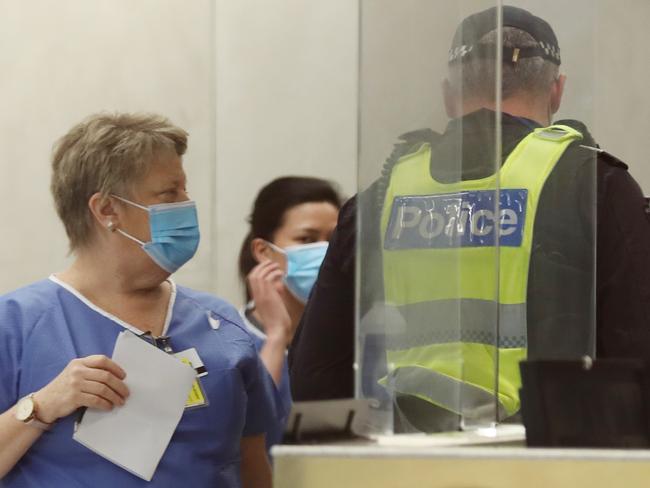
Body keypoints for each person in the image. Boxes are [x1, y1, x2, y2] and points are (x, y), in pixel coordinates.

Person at [289, 5, 650, 431]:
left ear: (448, 94)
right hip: (547, 457)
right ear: (557, 91)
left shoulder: (384, 193)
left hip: (412, 457)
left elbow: (314, 374)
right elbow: (636, 354)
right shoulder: (594, 182)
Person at [0, 113, 274, 487]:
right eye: (169, 193)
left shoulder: (219, 324)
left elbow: (253, 461)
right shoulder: (16, 325)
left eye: (185, 190)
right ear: (107, 210)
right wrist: (41, 407)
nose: (187, 204)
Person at [238, 176, 341, 447]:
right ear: (264, 251)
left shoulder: (350, 334)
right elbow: (246, 430)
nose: (325, 251)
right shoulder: (230, 336)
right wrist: (277, 335)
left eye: (333, 239)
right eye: (307, 239)